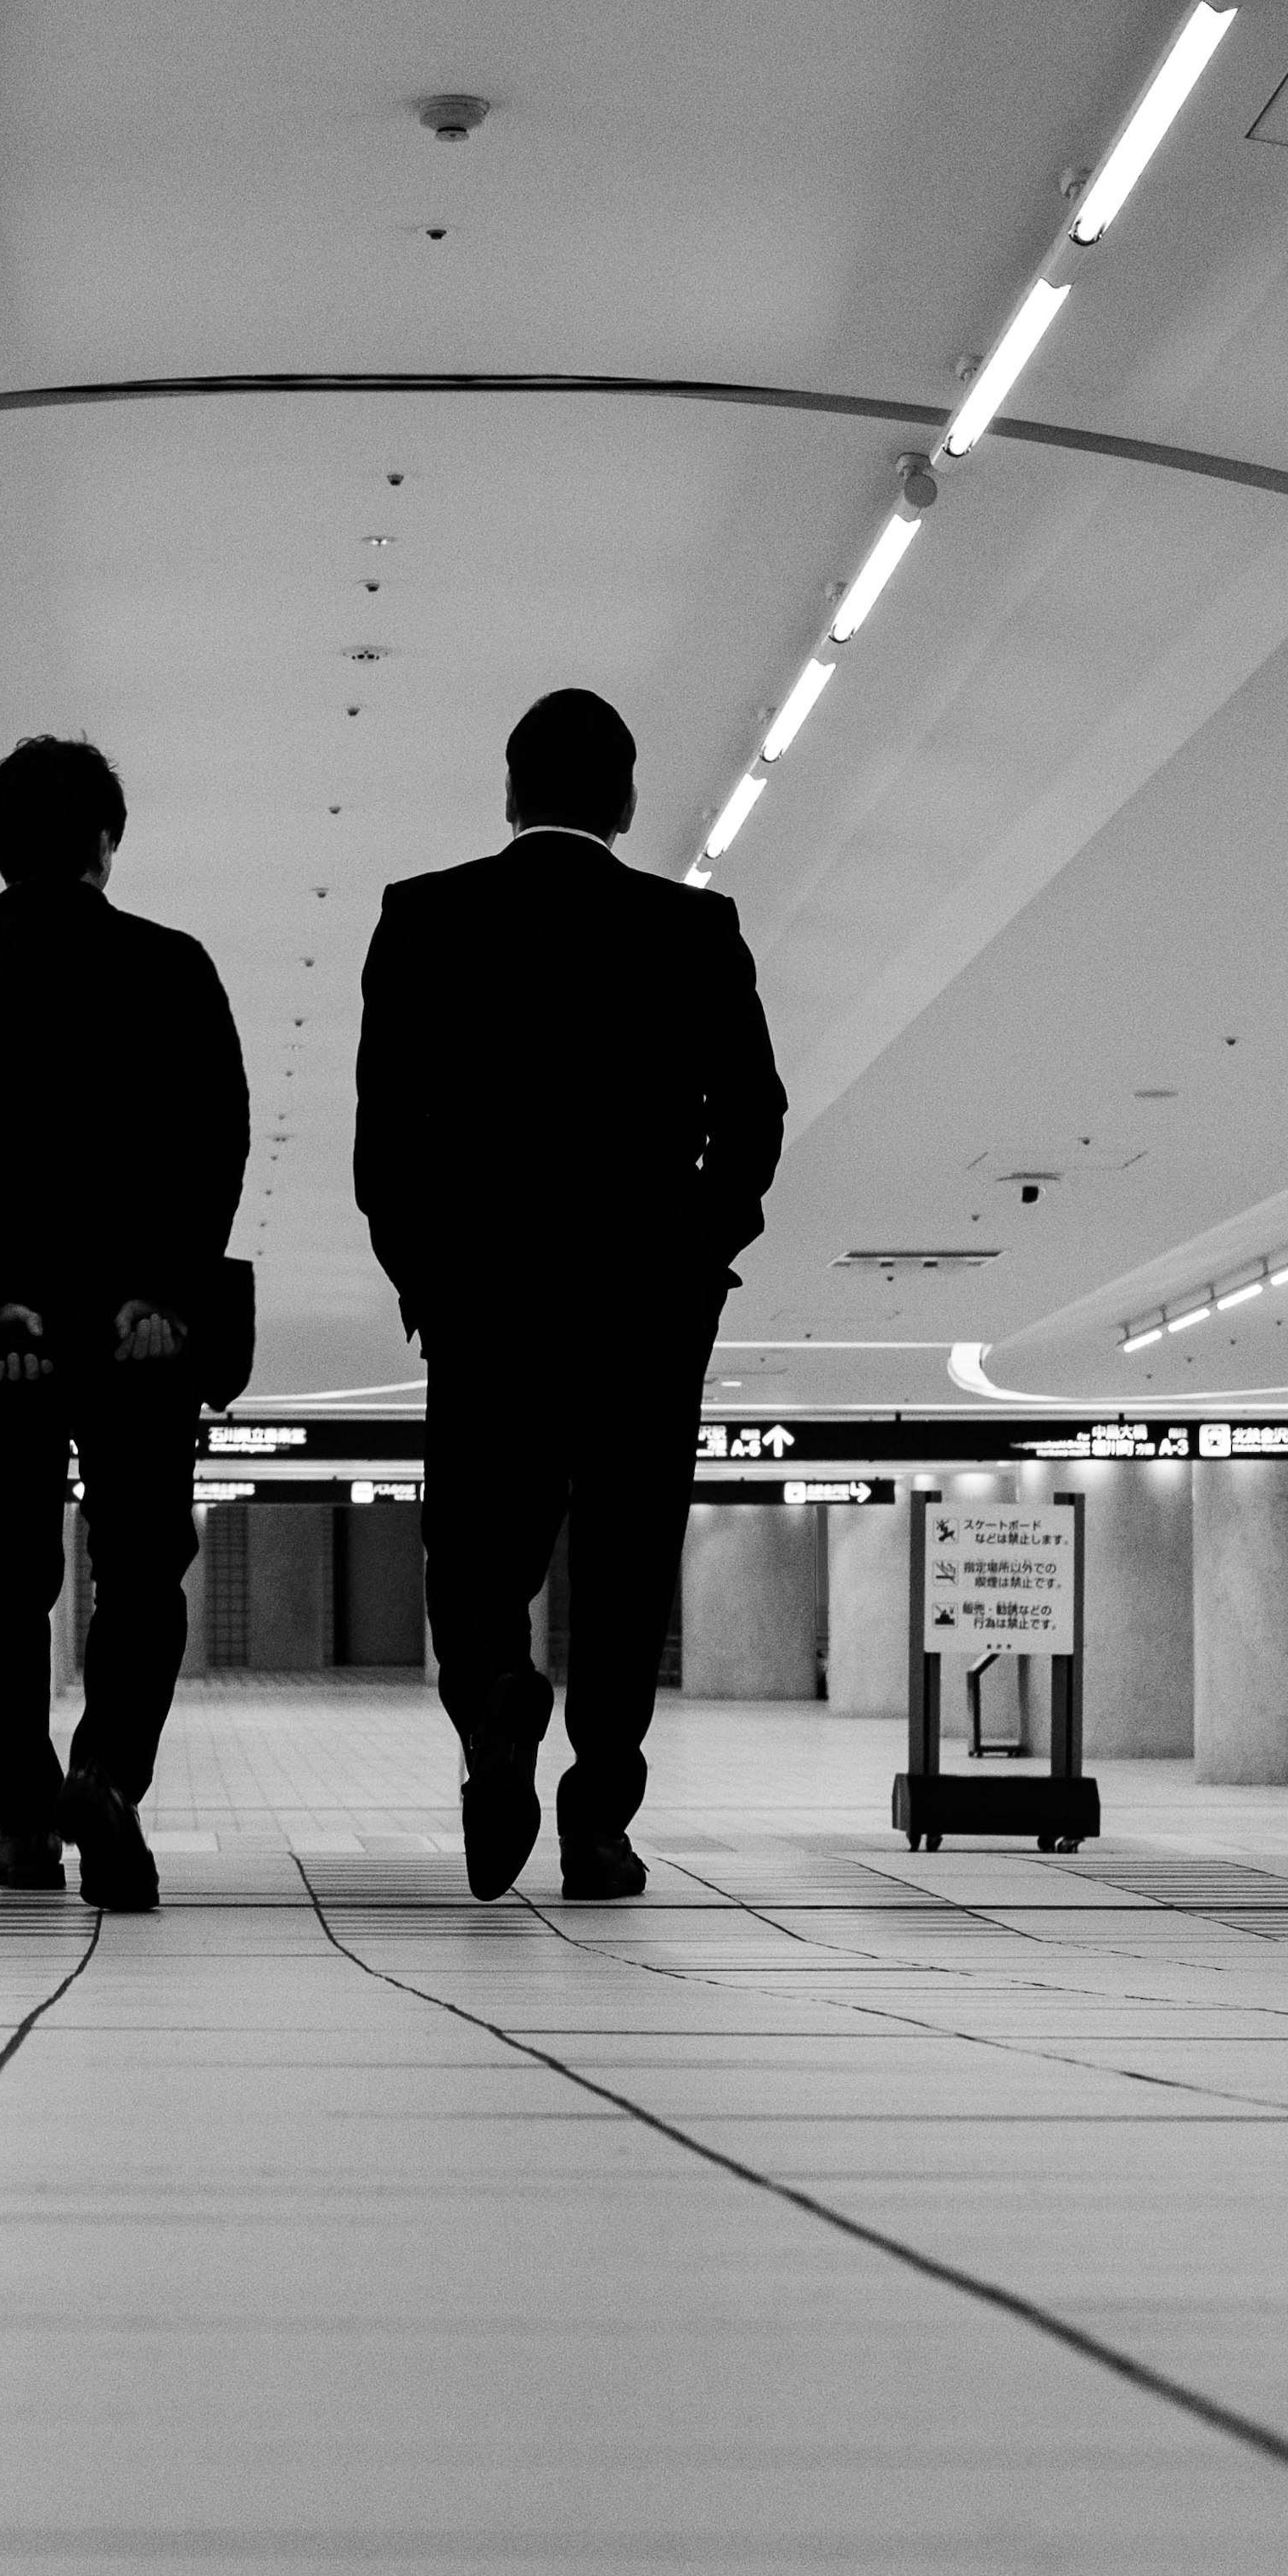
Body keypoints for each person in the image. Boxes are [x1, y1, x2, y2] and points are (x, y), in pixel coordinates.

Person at [354, 687, 784, 1900]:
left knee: (475, 1551)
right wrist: (701, 1247)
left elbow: (386, 1138)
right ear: (628, 800)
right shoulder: (695, 931)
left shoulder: (426, 919)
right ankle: (597, 1825)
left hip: (488, 1297)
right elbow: (755, 1117)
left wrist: (429, 1275)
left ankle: (496, 1694)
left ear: (508, 792)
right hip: (648, 1300)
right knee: (626, 1561)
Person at [0, 733, 249, 1909]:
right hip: (139, 1337)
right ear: (105, 841)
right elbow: (214, 1143)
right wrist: (162, 1296)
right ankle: (110, 1786)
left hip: (7, 1345)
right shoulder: (174, 968)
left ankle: (28, 1820)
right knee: (142, 1571)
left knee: (7, 1573)